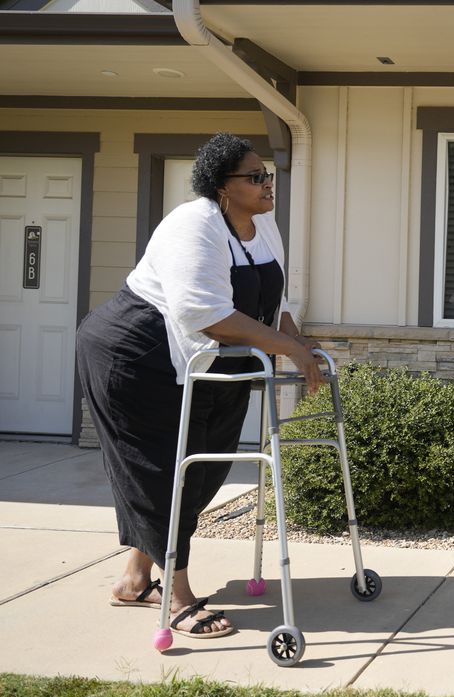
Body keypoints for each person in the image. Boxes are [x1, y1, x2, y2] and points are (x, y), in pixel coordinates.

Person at [77, 132, 324, 639]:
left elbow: (274, 304)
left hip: (208, 359)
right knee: (162, 468)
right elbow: (203, 313)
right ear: (221, 186)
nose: (266, 184)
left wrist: (303, 345)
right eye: (254, 177)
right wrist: (288, 350)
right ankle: (178, 596)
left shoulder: (263, 226)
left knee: (207, 463)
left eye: (267, 175)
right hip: (136, 354)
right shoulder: (192, 225)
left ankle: (134, 579)